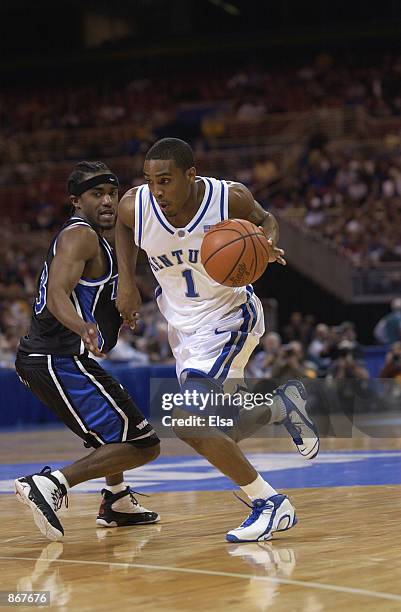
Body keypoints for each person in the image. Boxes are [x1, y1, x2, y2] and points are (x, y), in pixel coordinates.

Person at [116, 138, 319, 543]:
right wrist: (127, 278)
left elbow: (267, 219)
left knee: (186, 421)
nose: (158, 190)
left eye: (166, 180)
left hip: (228, 319)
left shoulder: (229, 198)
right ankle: (281, 406)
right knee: (220, 431)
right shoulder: (134, 205)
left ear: (191, 175)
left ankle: (270, 503)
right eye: (151, 180)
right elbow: (123, 228)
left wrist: (266, 243)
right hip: (182, 328)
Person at [14, 161, 160, 541]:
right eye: (98, 195)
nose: (108, 201)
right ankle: (50, 484)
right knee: (143, 445)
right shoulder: (80, 236)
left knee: (118, 429)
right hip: (55, 359)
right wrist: (84, 327)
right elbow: (57, 297)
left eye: (112, 193)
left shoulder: (99, 240)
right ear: (76, 201)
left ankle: (116, 499)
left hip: (58, 359)